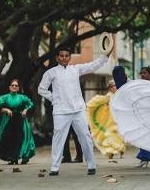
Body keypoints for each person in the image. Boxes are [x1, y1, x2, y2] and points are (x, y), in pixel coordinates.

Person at [38, 44, 112, 176]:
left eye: (67, 56)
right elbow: (41, 89)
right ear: (57, 57)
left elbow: (93, 65)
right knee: (58, 139)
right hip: (60, 111)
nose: (64, 58)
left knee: (85, 136)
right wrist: (54, 99)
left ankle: (91, 165)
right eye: (62, 56)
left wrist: (105, 56)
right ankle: (54, 168)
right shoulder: (51, 72)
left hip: (78, 109)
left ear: (70, 57)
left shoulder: (76, 69)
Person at [0, 79, 35, 165]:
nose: (14, 87)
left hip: (20, 119)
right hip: (8, 120)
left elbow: (31, 104)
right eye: (12, 85)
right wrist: (6, 110)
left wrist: (25, 110)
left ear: (18, 88)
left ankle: (24, 157)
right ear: (9, 87)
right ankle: (12, 158)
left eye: (16, 86)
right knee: (8, 138)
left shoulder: (22, 97)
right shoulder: (4, 97)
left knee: (22, 138)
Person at [86, 79, 125, 160]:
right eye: (112, 87)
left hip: (119, 119)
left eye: (115, 86)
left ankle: (121, 149)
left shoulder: (121, 95)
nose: (114, 88)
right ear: (109, 88)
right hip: (110, 120)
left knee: (120, 135)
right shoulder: (108, 96)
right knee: (110, 135)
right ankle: (110, 152)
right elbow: (100, 102)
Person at [135, 66, 150, 168]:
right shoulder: (137, 85)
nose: (143, 75)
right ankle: (144, 159)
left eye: (145, 73)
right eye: (141, 73)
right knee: (142, 136)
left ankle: (147, 158)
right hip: (141, 114)